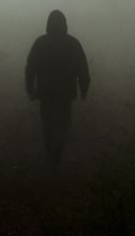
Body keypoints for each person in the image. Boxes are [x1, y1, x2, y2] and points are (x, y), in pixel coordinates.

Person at [25, 10, 91, 165]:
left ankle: (49, 154)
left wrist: (30, 88)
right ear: (65, 24)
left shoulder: (40, 43)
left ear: (48, 24)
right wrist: (84, 88)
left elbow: (30, 68)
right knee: (62, 124)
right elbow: (82, 68)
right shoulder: (73, 43)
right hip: (65, 93)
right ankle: (56, 156)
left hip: (45, 92)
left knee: (47, 123)